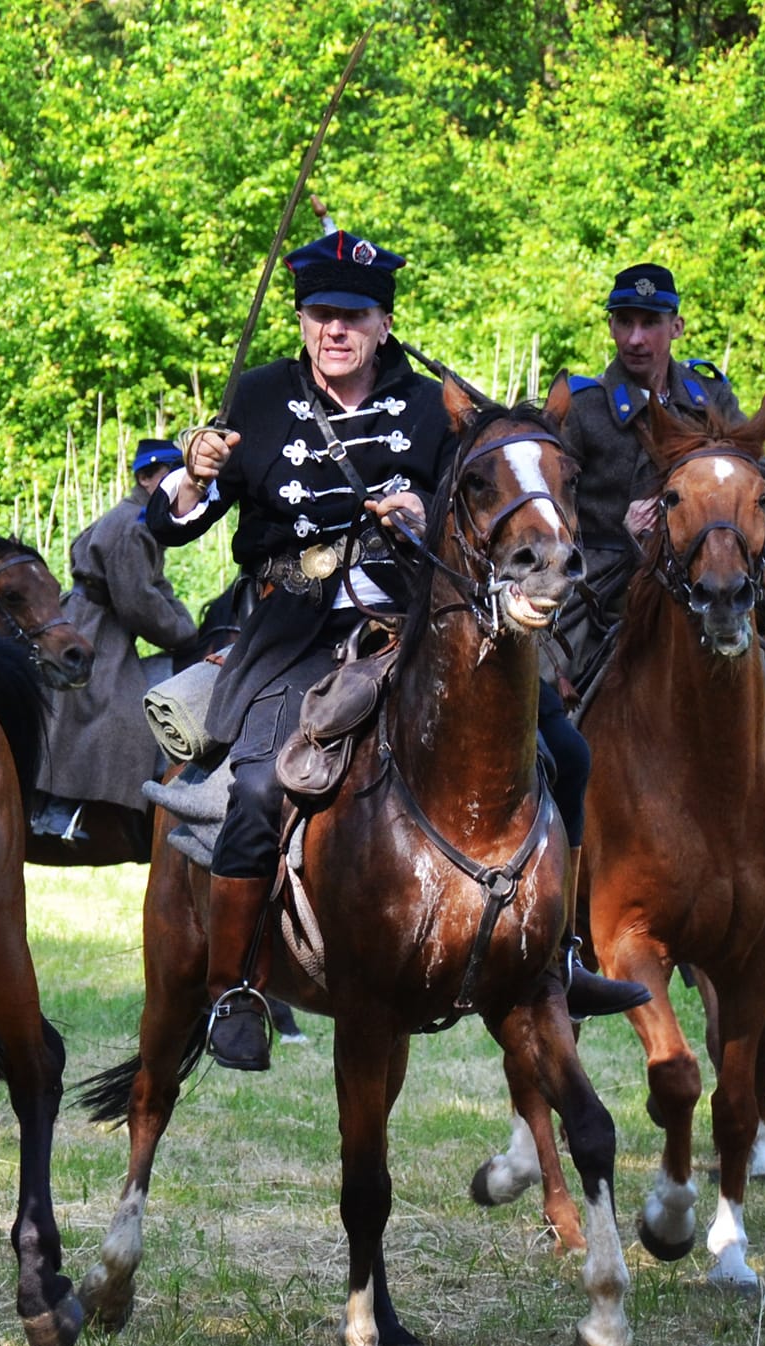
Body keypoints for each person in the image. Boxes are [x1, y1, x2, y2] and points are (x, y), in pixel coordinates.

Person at [149, 231, 645, 1072]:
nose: (334, 332)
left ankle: (558, 952)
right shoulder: (260, 398)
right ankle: (235, 988)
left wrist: (421, 514)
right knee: (263, 783)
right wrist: (194, 472)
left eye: (354, 317)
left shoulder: (427, 407)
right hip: (297, 628)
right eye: (320, 315)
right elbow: (169, 524)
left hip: (420, 619)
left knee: (563, 745)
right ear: (303, 319)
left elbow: (479, 511)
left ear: (384, 324)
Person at [560, 261, 765, 934]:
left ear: (675, 326)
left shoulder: (709, 395)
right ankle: (553, 887)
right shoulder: (582, 409)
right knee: (551, 721)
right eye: (623, 323)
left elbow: (763, 477)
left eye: (649, 323)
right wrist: (620, 529)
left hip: (704, 595)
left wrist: (738, 531)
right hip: (606, 595)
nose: (635, 338)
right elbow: (551, 500)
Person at [36, 438, 201, 844]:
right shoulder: (135, 524)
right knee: (111, 711)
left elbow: (150, 584)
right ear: (147, 479)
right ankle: (60, 812)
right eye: (170, 475)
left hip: (96, 619)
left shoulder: (141, 520)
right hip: (96, 626)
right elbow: (137, 602)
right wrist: (184, 634)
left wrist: (180, 618)